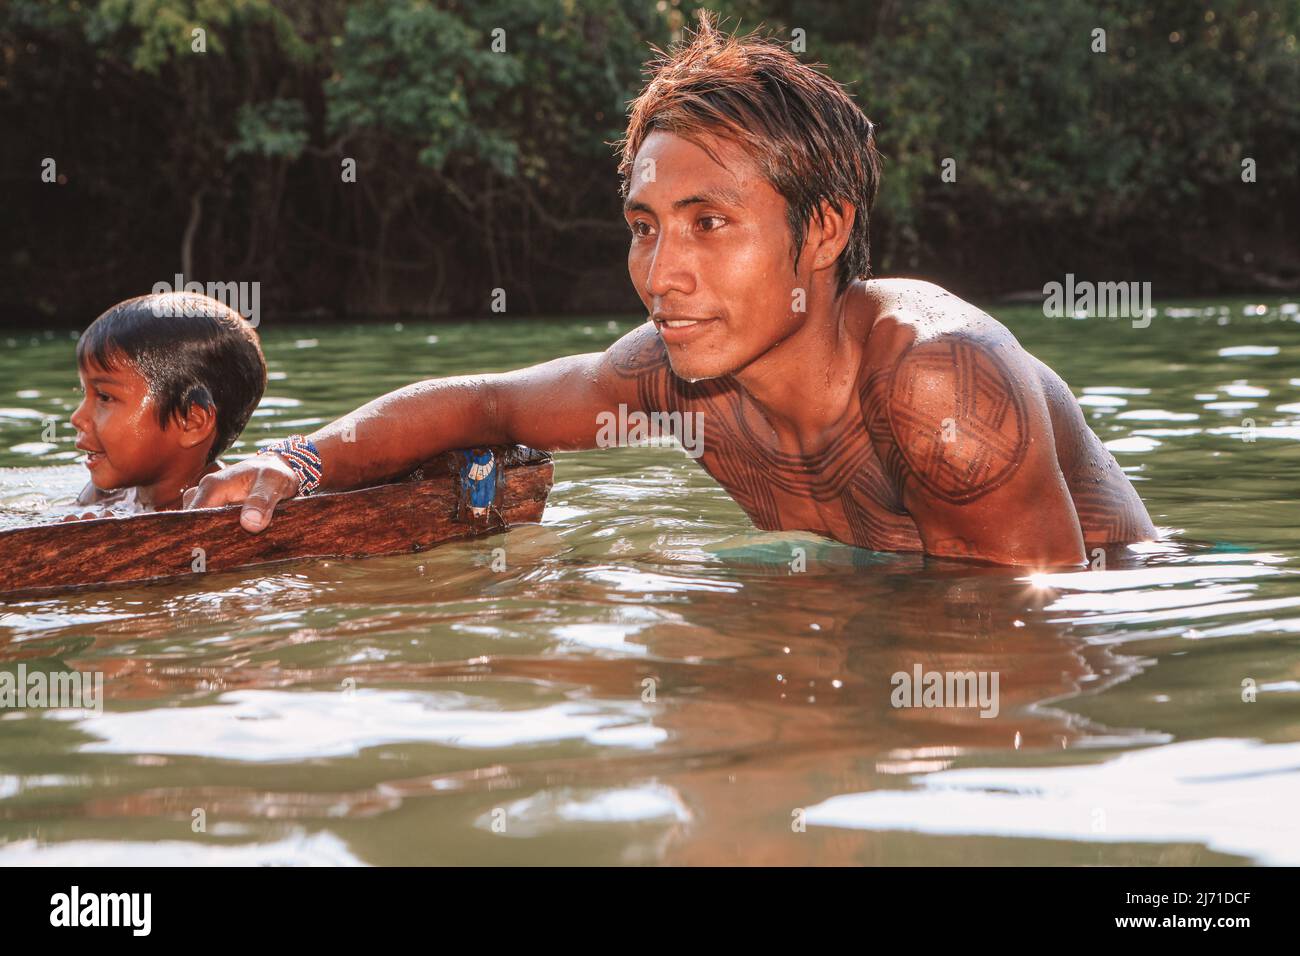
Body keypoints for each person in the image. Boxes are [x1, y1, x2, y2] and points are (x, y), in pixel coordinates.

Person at [186, 16, 1155, 568]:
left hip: (1134, 631)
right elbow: (481, 403)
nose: (661, 272)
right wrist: (296, 462)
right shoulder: (677, 378)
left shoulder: (937, 384)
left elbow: (1028, 677)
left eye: (709, 222)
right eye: (644, 228)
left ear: (823, 229)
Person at [67, 291, 266, 517]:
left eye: (104, 397)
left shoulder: (226, 517)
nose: (77, 417)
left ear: (191, 422)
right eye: (85, 393)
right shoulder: (105, 495)